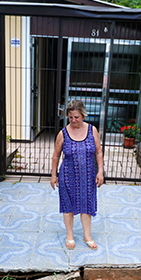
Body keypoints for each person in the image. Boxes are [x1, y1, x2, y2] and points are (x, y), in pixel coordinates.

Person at [50, 100, 104, 250]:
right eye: (70, 117)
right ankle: (70, 235)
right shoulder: (63, 133)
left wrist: (100, 171)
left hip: (88, 175)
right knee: (68, 206)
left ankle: (87, 236)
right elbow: (56, 156)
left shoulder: (92, 130)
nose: (73, 120)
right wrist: (53, 175)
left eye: (76, 117)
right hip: (67, 175)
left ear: (83, 115)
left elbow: (98, 152)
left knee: (86, 205)